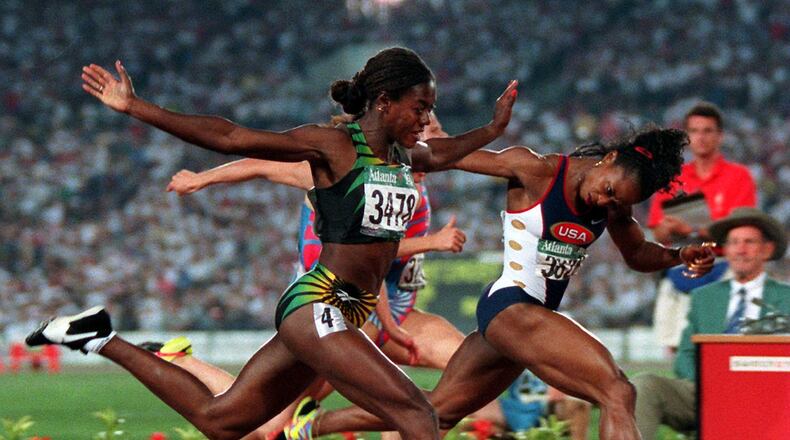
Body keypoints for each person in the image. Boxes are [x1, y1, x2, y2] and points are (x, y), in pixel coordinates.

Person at [26, 47, 518, 440]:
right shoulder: (335, 146)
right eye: (420, 108)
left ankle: (96, 337)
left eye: (429, 109)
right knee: (417, 414)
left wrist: (492, 130)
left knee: (224, 421)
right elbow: (233, 138)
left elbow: (444, 152)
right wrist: (134, 106)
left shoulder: (404, 156)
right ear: (385, 100)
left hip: (347, 311)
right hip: (318, 302)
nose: (425, 119)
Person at [287, 126, 717, 440]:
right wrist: (376, 145)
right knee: (617, 390)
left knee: (435, 411)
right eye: (608, 191)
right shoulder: (534, 169)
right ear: (607, 161)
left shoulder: (614, 207)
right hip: (512, 306)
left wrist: (679, 255)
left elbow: (638, 254)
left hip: (520, 319)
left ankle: (311, 427)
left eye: (616, 202)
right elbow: (441, 157)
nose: (604, 202)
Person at [632, 207, 789, 440]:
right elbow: (686, 354)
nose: (740, 249)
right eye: (734, 243)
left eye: (749, 242)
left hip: (768, 394)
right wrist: (711, 383)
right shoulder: (704, 297)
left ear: (767, 250)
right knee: (645, 385)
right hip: (706, 389)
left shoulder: (786, 298)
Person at [647, 102, 757, 354]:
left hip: (723, 265)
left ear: (720, 136)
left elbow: (741, 229)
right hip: (680, 265)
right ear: (687, 137)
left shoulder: (738, 176)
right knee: (675, 348)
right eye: (695, 131)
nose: (701, 137)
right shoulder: (674, 179)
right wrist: (674, 227)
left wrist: (689, 228)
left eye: (708, 131)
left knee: (723, 347)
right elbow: (658, 232)